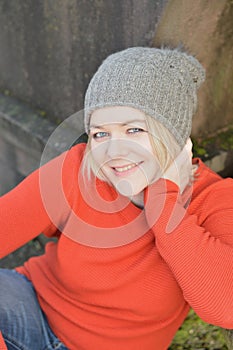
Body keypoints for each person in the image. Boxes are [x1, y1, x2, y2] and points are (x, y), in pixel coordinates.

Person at [0, 47, 232, 350]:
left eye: (133, 129)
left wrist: (164, 201)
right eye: (100, 134)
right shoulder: (79, 169)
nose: (114, 152)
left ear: (173, 136)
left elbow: (225, 306)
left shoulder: (215, 199)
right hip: (30, 309)